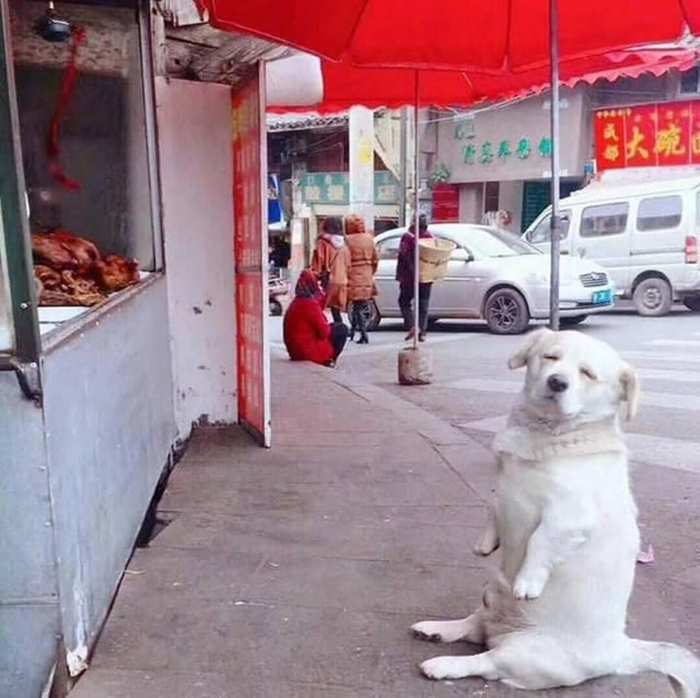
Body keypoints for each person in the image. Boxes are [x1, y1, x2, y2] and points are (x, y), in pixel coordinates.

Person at [283, 269, 349, 367]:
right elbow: (324, 332)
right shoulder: (310, 305)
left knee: (335, 327)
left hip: (294, 350)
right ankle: (329, 360)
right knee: (341, 329)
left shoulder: (296, 303)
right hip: (307, 352)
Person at [396, 213, 433, 342]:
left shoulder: (408, 237)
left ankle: (413, 326)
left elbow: (403, 255)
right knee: (423, 304)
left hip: (409, 277)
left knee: (404, 302)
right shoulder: (429, 237)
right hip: (427, 276)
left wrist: (413, 272)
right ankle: (422, 332)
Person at [344, 215, 379, 344]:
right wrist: (370, 271)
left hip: (353, 275)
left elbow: (345, 259)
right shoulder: (370, 239)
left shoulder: (347, 240)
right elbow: (376, 259)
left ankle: (363, 334)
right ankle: (353, 332)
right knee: (359, 304)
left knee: (356, 305)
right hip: (367, 274)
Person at [311, 217, 349, 324]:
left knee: (318, 308)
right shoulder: (344, 245)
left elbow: (318, 263)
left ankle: (320, 330)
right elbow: (348, 264)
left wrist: (314, 276)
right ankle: (339, 332)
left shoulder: (322, 243)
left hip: (328, 281)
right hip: (342, 281)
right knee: (336, 311)